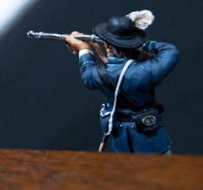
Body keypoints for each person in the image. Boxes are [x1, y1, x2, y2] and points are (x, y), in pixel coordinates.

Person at [64, 10, 179, 154]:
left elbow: (89, 73)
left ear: (107, 46)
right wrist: (140, 45)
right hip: (150, 139)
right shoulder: (146, 70)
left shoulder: (97, 76)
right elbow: (171, 51)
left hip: (122, 138)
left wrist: (84, 50)